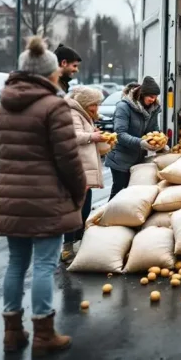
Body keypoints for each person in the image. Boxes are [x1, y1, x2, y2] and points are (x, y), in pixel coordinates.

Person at [0, 36, 87, 356]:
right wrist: (77, 191)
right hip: (47, 199)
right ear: (50, 73)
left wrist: (13, 175)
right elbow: (68, 158)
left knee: (16, 263)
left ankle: (11, 332)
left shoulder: (1, 105)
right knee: (45, 265)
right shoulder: (53, 105)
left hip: (11, 198)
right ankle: (43, 333)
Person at [62, 86, 106, 262]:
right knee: (75, 209)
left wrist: (93, 133)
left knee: (85, 208)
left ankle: (78, 242)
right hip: (77, 167)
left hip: (84, 167)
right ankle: (68, 247)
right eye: (94, 104)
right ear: (85, 103)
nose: (96, 108)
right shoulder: (73, 113)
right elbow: (74, 135)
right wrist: (92, 137)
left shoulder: (83, 113)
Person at [105, 76, 165, 199]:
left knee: (132, 194)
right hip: (120, 158)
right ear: (142, 94)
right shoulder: (124, 107)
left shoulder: (152, 108)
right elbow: (120, 134)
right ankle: (107, 217)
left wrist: (161, 141)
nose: (153, 100)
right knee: (119, 191)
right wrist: (141, 143)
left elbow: (153, 129)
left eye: (155, 97)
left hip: (138, 158)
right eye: (151, 97)